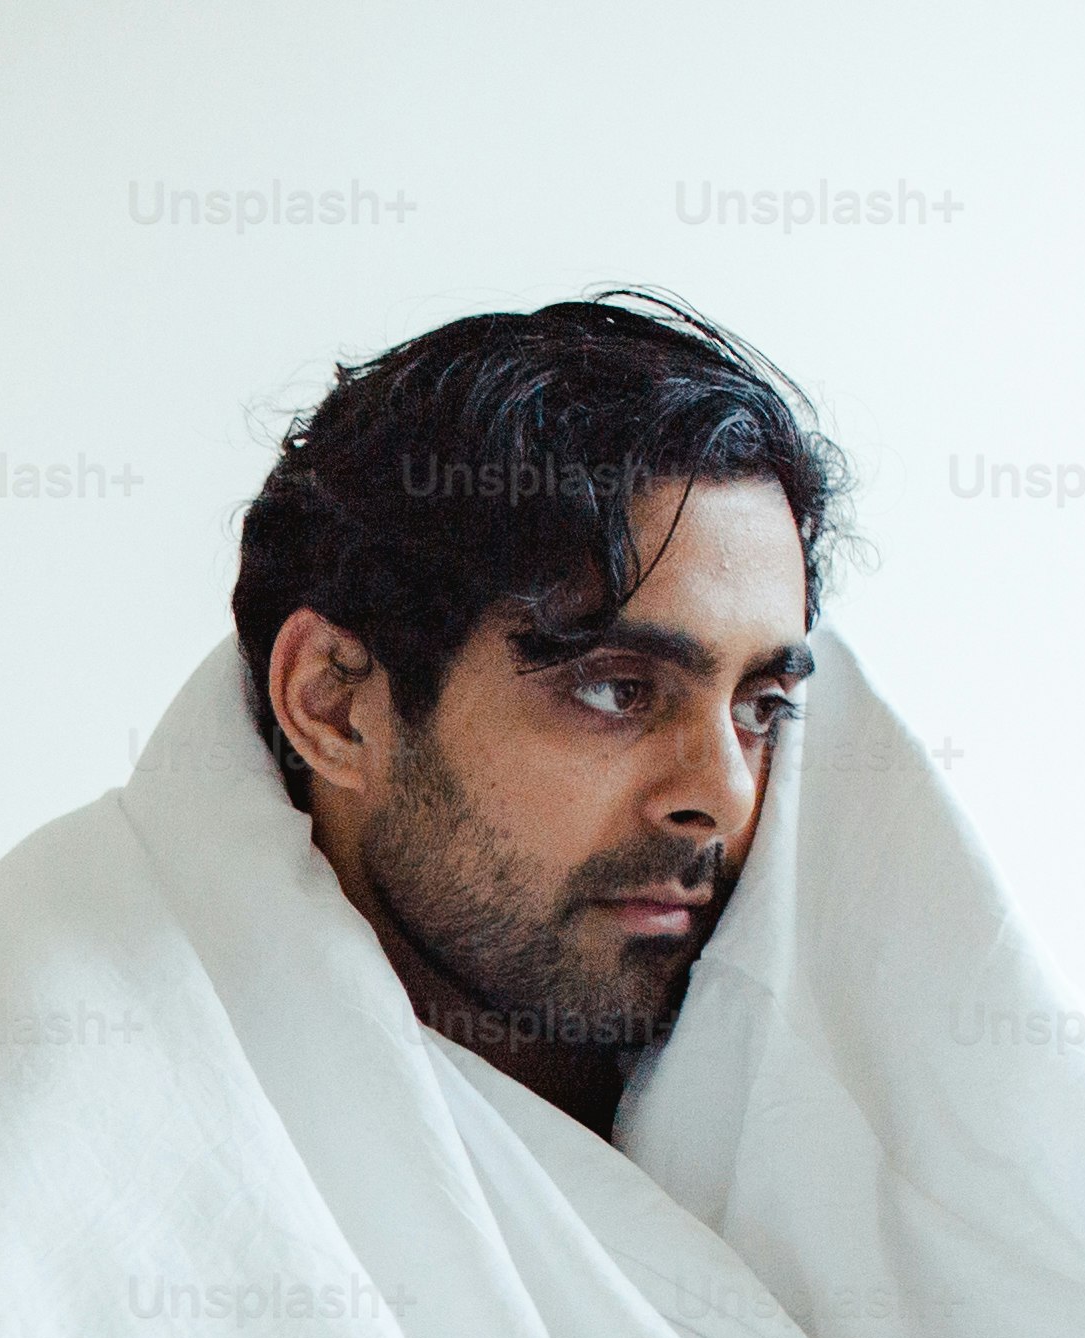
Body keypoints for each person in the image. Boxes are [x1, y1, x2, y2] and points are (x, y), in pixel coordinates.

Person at [234, 291, 844, 1138]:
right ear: (336, 707)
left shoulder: (843, 1134)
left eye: (761, 706)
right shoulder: (90, 1155)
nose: (727, 796)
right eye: (616, 690)